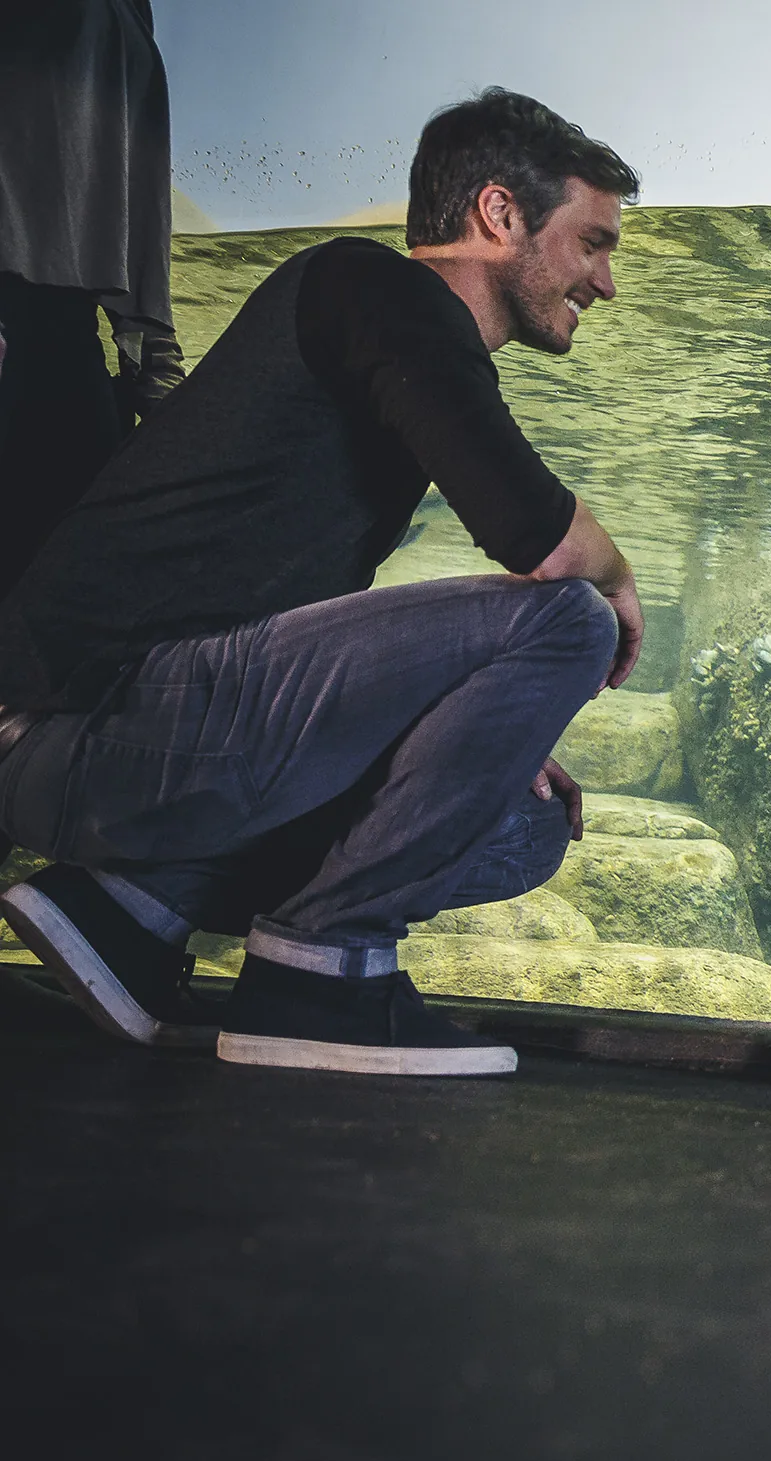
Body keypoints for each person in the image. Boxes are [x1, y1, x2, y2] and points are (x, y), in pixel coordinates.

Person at [0, 89, 646, 1077]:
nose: (605, 283)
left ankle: (130, 913)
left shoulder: (392, 355)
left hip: (140, 743)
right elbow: (536, 536)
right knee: (568, 621)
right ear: (499, 215)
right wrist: (619, 577)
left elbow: (308, 641)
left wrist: (474, 742)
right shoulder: (371, 287)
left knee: (522, 825)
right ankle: (321, 977)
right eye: (591, 242)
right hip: (78, 725)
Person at [0, 0, 187, 598]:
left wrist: (153, 366)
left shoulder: (127, 35)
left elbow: (138, 213)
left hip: (61, 340)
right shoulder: (129, 38)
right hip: (56, 337)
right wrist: (153, 364)